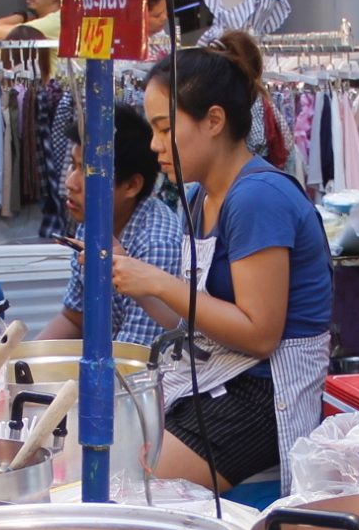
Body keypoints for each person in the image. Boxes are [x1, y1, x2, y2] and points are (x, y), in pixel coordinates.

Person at [125, 33, 334, 491]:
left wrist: (158, 282)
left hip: (265, 394)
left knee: (139, 483)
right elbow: (192, 316)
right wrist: (131, 281)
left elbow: (259, 335)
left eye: (164, 128)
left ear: (214, 120)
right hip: (218, 377)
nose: (155, 145)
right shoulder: (198, 197)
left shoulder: (258, 197)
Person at [42, 104, 185, 347]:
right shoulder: (94, 222)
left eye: (86, 171)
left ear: (131, 186)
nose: (70, 182)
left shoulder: (156, 244)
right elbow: (75, 318)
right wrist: (17, 363)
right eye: (73, 165)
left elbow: (134, 353)